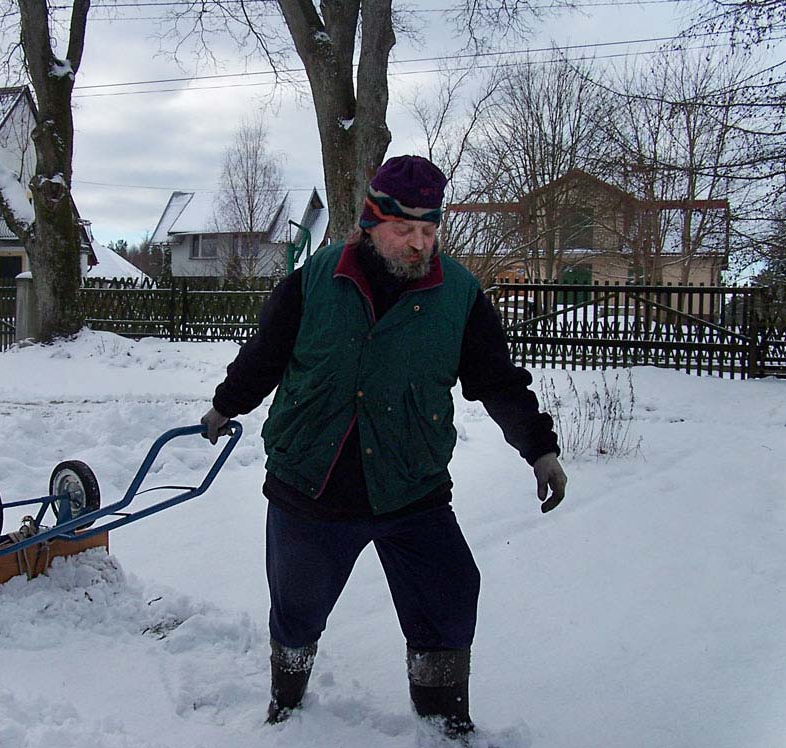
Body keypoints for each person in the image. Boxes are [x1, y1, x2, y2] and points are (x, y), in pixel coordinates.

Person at [200, 155, 567, 742]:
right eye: (404, 230)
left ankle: (444, 720)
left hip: (410, 484)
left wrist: (539, 449)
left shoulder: (460, 296)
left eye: (428, 231)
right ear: (371, 224)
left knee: (448, 596)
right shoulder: (315, 280)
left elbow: (498, 380)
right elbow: (265, 355)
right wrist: (226, 404)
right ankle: (286, 706)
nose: (418, 244)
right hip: (312, 481)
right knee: (296, 608)